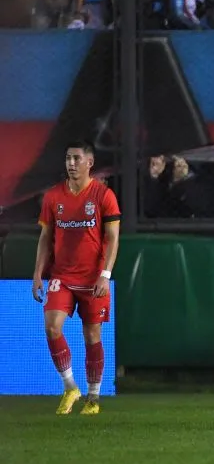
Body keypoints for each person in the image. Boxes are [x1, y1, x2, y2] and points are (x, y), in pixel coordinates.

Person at [32, 140, 121, 415]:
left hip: (94, 278)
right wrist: (37, 273)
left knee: (92, 335)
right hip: (63, 276)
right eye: (68, 158)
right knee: (52, 325)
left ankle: (93, 398)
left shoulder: (103, 196)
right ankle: (70, 386)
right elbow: (46, 238)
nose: (71, 164)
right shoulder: (53, 197)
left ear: (89, 163)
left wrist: (105, 275)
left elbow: (113, 238)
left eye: (77, 159)